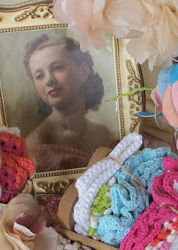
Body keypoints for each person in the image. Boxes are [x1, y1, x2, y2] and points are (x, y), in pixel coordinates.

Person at [24, 34, 118, 171]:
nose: (49, 80)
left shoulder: (104, 133)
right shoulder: (36, 143)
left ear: (83, 72)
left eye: (57, 68)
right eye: (39, 76)